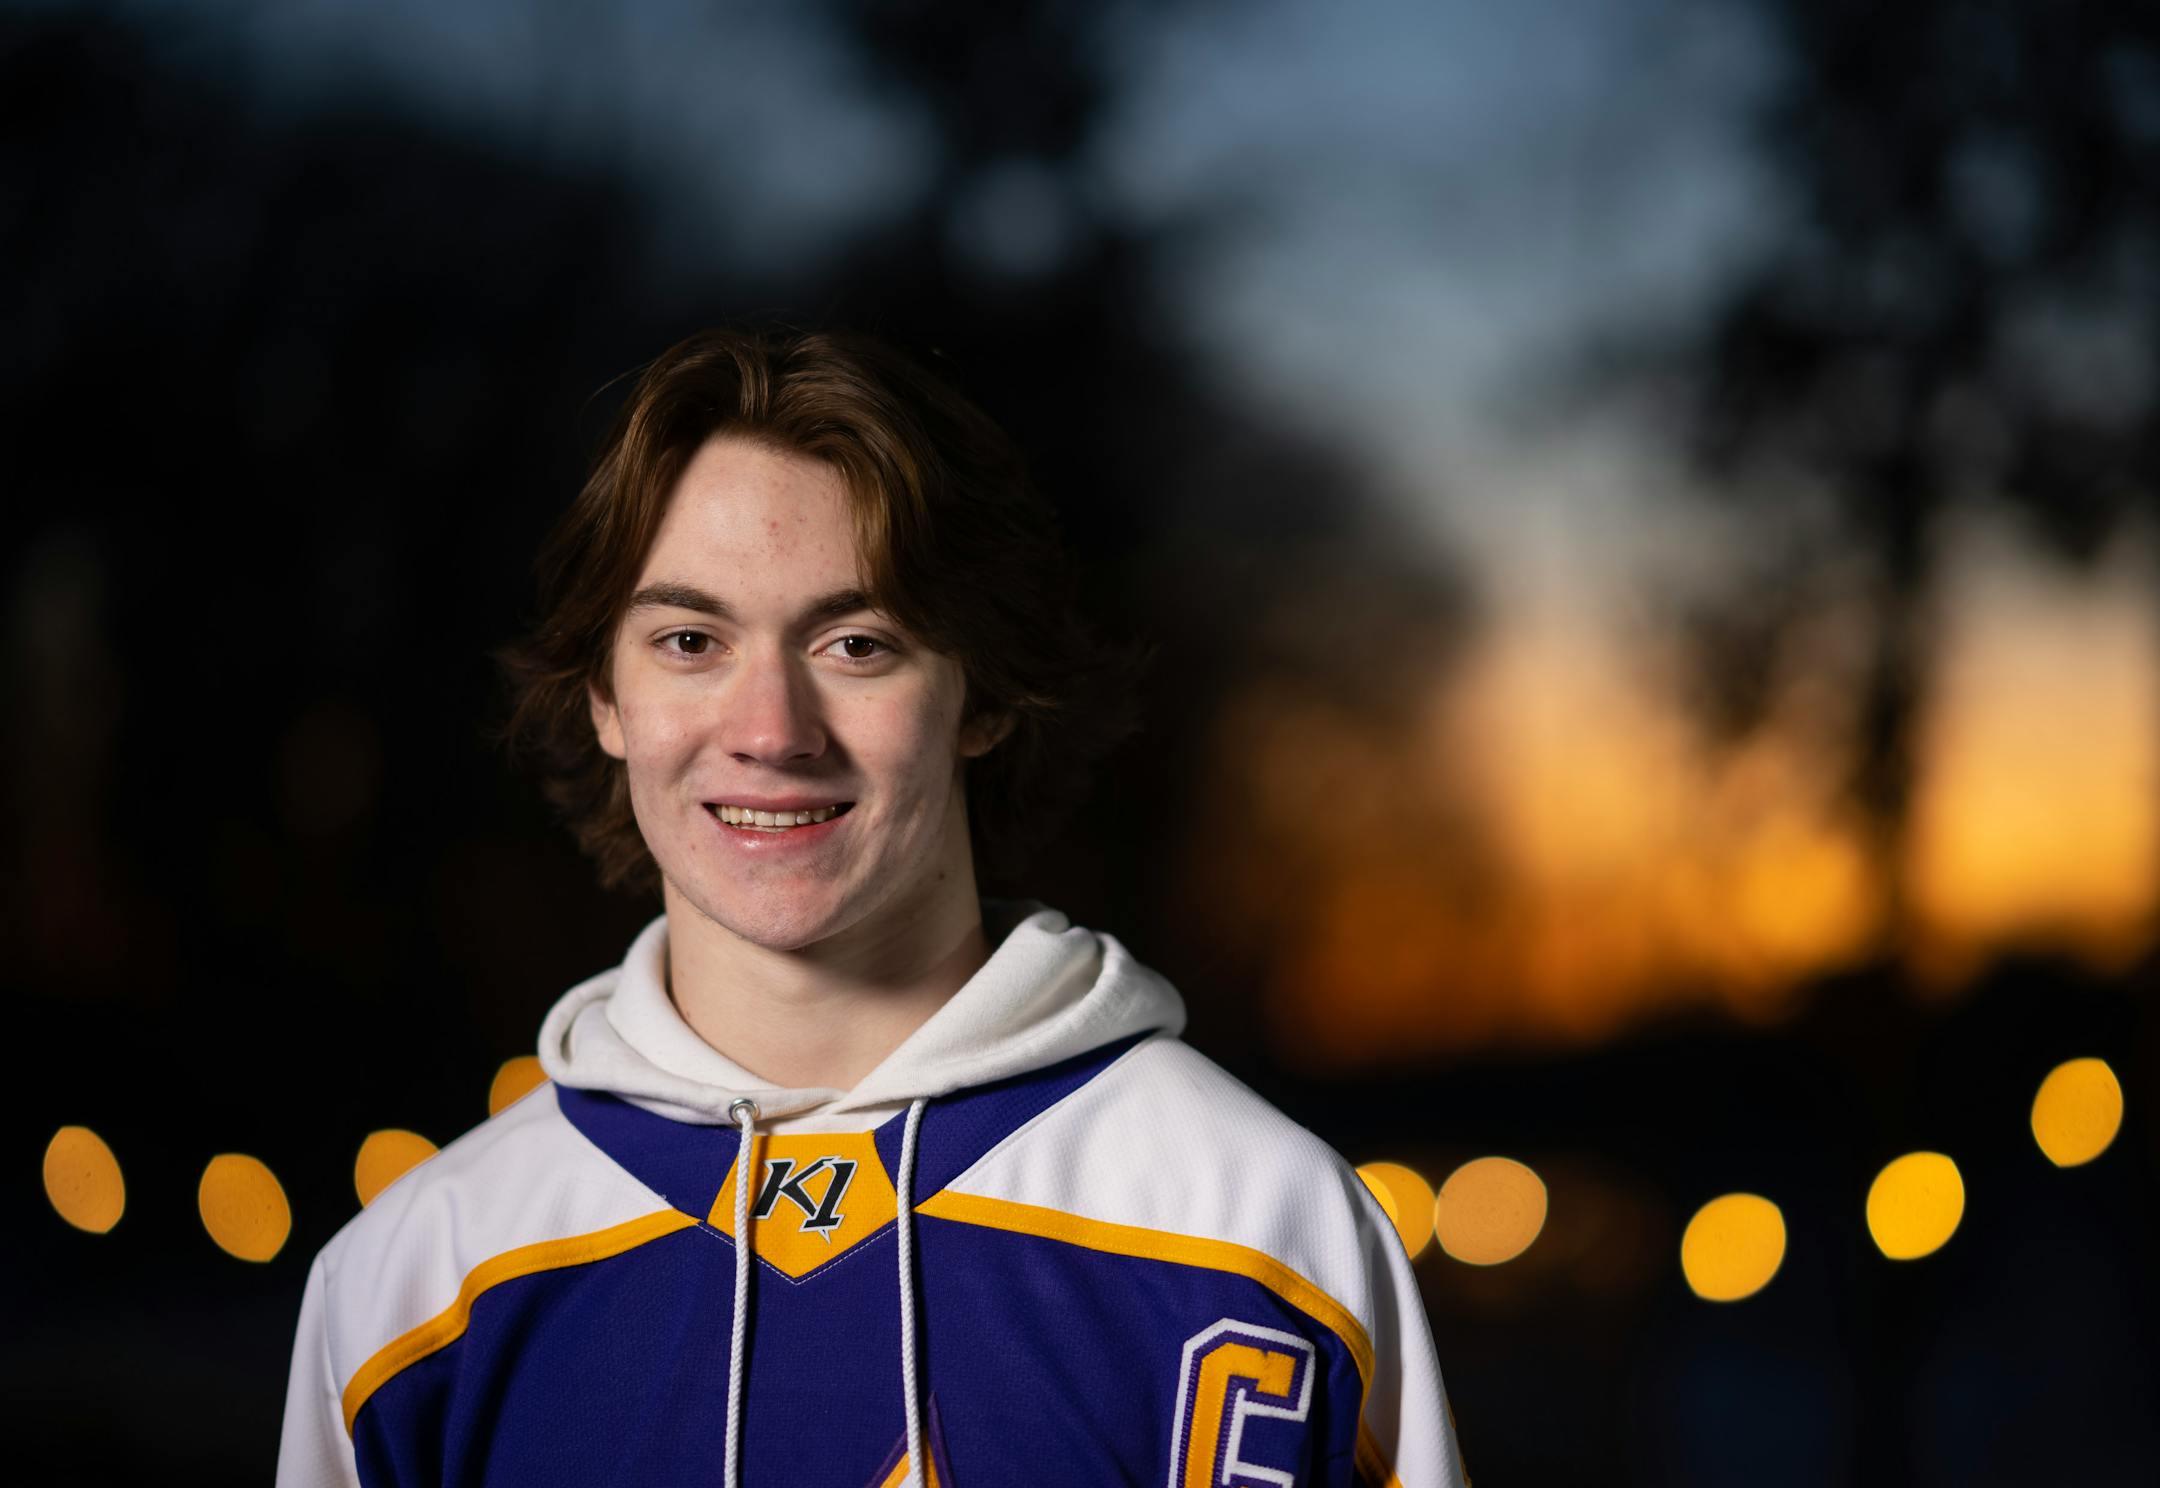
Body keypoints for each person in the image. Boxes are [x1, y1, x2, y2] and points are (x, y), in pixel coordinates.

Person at [274, 327, 1467, 1487]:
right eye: (691, 640)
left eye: (856, 643)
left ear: (985, 694)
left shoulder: (1267, 1231)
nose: (770, 733)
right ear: (605, 697)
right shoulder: (410, 1290)